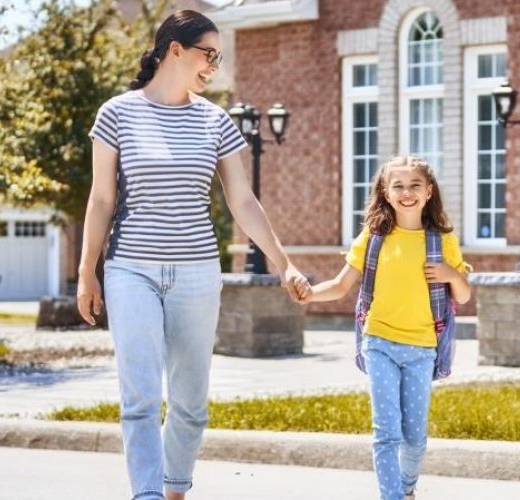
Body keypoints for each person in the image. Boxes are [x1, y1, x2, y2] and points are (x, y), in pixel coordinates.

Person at [76, 10, 309, 500]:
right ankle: (146, 494)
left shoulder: (214, 120)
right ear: (174, 50)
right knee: (139, 396)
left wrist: (283, 261)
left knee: (189, 403)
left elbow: (242, 200)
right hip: (131, 269)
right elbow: (101, 200)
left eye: (219, 58)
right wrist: (86, 273)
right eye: (209, 54)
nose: (214, 67)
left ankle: (174, 488)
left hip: (198, 273)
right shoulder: (117, 113)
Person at [300, 155, 471, 500]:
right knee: (385, 433)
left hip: (423, 348)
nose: (406, 192)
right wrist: (309, 295)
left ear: (428, 192)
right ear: (386, 192)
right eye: (398, 186)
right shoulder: (374, 237)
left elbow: (464, 296)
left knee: (415, 438)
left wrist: (451, 275)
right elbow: (340, 285)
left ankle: (407, 488)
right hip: (378, 342)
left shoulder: (442, 241)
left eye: (414, 186)